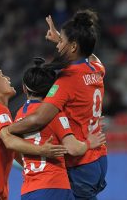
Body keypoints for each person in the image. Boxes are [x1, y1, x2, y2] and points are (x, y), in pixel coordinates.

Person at [1, 9, 107, 200]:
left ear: (74, 46)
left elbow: (38, 118)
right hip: (99, 158)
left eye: (63, 42)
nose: (58, 46)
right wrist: (61, 38)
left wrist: (8, 130)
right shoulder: (97, 68)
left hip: (80, 161)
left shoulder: (66, 81)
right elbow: (89, 54)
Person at [0, 64, 67, 200]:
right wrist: (42, 150)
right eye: (2, 76)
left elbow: (15, 151)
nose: (8, 78)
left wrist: (40, 168)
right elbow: (9, 141)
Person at [16, 61, 106, 200]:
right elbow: (73, 149)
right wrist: (89, 143)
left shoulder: (19, 115)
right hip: (54, 186)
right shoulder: (54, 113)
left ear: (24, 88)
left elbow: (15, 151)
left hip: (29, 190)